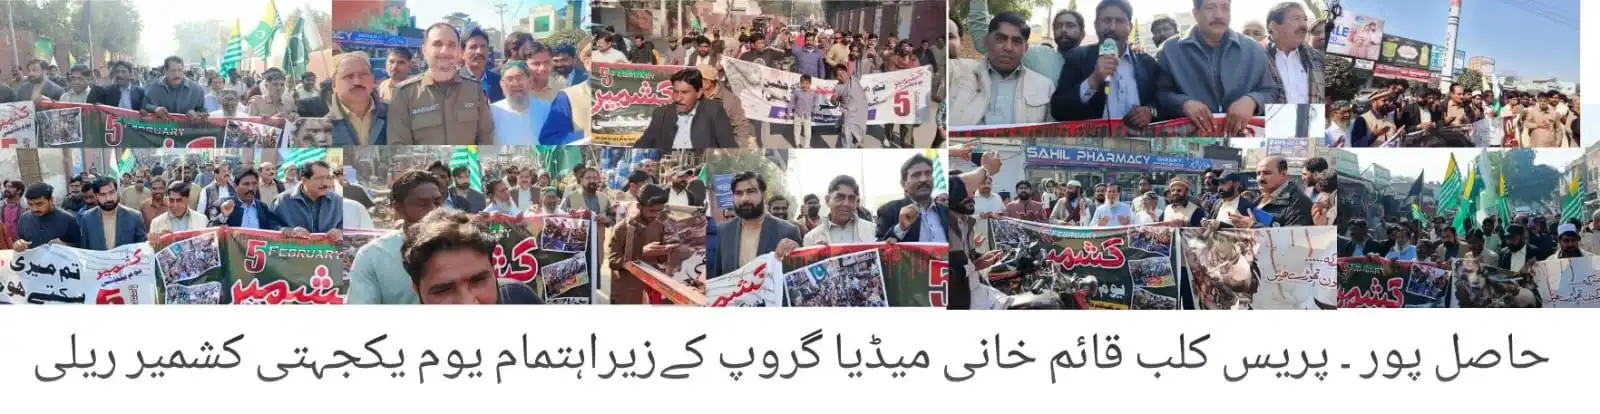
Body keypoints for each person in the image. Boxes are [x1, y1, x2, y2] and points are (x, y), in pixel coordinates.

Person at [1156, 0, 1280, 136]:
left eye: (1225, 7)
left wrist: (1252, 100)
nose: (1219, 15)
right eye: (1210, 7)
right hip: (1189, 143)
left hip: (1242, 141)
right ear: (1196, 13)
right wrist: (1183, 104)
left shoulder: (1253, 50)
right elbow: (1160, 93)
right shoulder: (1170, 50)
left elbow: (1270, 91)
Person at [1052, 0, 1160, 127]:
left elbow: (1161, 103)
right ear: (1096, 25)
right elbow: (1058, 110)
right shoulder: (1078, 58)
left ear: (1130, 27)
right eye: (1106, 20)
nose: (1112, 28)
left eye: (1119, 21)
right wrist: (1093, 81)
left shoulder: (1147, 64)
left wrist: (1150, 112)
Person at [401, 208, 541, 305]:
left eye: (478, 280)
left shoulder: (519, 297)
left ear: (494, 271)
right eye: (444, 290)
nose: (468, 303)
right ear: (417, 290)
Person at [389, 23, 496, 145]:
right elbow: (399, 149)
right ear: (424, 50)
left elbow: (485, 140)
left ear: (458, 52)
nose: (445, 51)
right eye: (437, 44)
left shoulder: (475, 90)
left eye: (451, 45)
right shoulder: (404, 94)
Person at [349, 170, 445, 304]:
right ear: (398, 209)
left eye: (438, 202)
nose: (434, 210)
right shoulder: (372, 256)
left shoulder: (462, 248)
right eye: (422, 204)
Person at [949, 12, 1055, 126]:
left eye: (1017, 41)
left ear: (1026, 48)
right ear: (986, 41)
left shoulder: (1045, 87)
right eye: (1000, 39)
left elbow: (1052, 137)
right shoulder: (957, 75)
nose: (1008, 47)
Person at [710, 171, 801, 277]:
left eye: (751, 191)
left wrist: (795, 252)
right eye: (738, 193)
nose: (744, 198)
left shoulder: (787, 231)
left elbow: (795, 277)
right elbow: (716, 277)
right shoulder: (723, 230)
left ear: (764, 194)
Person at [633, 68, 736, 148]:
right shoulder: (661, 114)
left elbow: (729, 148)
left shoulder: (714, 111)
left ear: (699, 93)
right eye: (675, 92)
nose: (678, 98)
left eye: (684, 92)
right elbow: (642, 145)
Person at [607, 183, 676, 304]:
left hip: (651, 289)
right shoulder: (622, 228)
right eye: (651, 210)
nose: (655, 214)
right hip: (627, 290)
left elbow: (660, 260)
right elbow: (613, 261)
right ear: (639, 206)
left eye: (659, 211)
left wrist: (667, 251)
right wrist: (642, 252)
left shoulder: (659, 226)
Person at [876, 155, 948, 243]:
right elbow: (880, 249)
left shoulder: (946, 211)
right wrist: (901, 228)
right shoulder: (889, 211)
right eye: (916, 175)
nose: (924, 179)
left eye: (928, 173)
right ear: (903, 184)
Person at [1265, 2, 1323, 105]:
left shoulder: (1318, 59)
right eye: (1296, 19)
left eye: (1304, 19)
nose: (1303, 25)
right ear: (1274, 27)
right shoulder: (1259, 58)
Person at [272, 160, 344, 235]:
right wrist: (288, 231)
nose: (325, 183)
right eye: (319, 178)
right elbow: (271, 224)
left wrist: (340, 232)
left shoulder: (338, 201)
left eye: (328, 178)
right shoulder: (282, 200)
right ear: (304, 180)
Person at [77, 176, 147, 251]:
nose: (108, 198)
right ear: (96, 196)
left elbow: (142, 249)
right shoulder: (87, 218)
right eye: (103, 194)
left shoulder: (134, 217)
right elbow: (84, 251)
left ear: (117, 192)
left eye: (111, 193)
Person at [12, 183, 82, 250]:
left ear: (51, 200)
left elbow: (80, 248)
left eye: (39, 204)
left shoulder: (69, 220)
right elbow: (19, 240)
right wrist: (18, 244)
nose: (34, 209)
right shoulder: (24, 219)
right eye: (30, 204)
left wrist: (65, 246)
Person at [1256, 156, 1315, 227]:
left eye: (1267, 173)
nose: (1260, 178)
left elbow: (1293, 236)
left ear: (1283, 174)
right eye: (1258, 174)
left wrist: (1253, 225)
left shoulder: (1299, 203)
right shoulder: (1257, 199)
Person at [142, 56, 208, 118]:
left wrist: (196, 113)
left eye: (179, 70)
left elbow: (204, 112)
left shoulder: (197, 90)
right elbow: (144, 105)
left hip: (189, 129)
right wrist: (155, 109)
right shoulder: (154, 87)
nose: (177, 75)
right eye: (173, 71)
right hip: (162, 128)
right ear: (165, 71)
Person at [460, 28, 504, 103]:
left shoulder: (499, 81)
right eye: (473, 47)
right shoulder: (453, 82)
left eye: (483, 46)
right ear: (462, 53)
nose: (479, 51)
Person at [789, 75, 822, 148]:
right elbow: (791, 103)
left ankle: (806, 145)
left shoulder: (813, 93)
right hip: (798, 114)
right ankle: (797, 144)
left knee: (807, 132)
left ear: (810, 84)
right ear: (800, 83)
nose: (804, 85)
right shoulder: (796, 92)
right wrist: (788, 113)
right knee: (796, 130)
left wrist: (813, 113)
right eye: (802, 83)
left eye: (806, 83)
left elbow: (816, 103)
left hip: (808, 115)